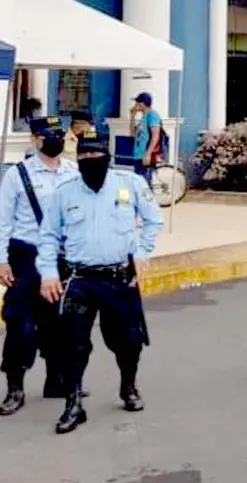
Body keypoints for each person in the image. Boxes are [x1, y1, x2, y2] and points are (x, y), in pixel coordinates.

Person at [37, 126, 164, 434]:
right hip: (80, 279)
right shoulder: (65, 191)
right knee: (72, 343)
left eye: (95, 154)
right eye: (83, 155)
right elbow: (49, 235)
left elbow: (153, 219)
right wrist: (49, 273)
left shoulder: (129, 183)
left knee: (128, 341)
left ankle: (128, 387)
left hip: (118, 278)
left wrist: (142, 251)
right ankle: (73, 403)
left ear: (107, 156)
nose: (89, 159)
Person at [0, 117, 80, 415]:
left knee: (58, 322)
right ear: (35, 138)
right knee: (20, 322)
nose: (56, 140)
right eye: (49, 135)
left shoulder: (73, 172)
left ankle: (56, 380)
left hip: (60, 256)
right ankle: (15, 387)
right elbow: (3, 220)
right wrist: (1, 261)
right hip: (25, 255)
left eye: (59, 134)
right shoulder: (17, 175)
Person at [129, 92, 164, 186]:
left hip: (145, 155)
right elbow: (133, 134)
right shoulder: (143, 118)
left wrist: (148, 154)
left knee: (145, 185)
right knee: (139, 184)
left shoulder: (152, 115)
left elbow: (155, 135)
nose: (135, 106)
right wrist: (132, 116)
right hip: (138, 154)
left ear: (142, 104)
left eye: (137, 103)